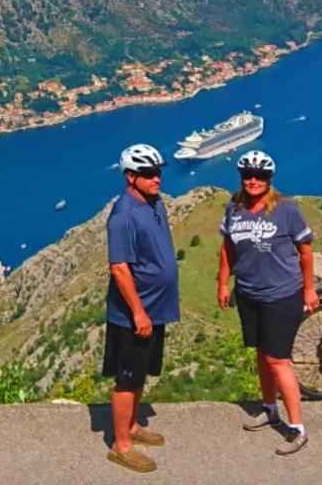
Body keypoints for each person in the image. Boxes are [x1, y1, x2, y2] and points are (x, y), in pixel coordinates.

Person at [216, 149, 317, 456]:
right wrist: (222, 283)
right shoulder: (234, 208)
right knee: (261, 354)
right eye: (248, 174)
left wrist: (309, 290)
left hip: (281, 295)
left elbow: (306, 251)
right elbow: (226, 249)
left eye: (260, 176)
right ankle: (270, 408)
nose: (253, 180)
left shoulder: (287, 210)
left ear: (269, 180)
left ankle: (297, 427)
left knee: (277, 360)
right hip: (249, 293)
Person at [104, 143, 180, 473]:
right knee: (127, 377)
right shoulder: (123, 217)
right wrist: (138, 312)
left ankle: (133, 427)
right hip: (135, 314)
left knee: (141, 373)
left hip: (155, 308)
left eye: (158, 172)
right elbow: (119, 268)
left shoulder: (154, 203)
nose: (157, 178)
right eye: (149, 174)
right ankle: (121, 446)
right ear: (130, 177)